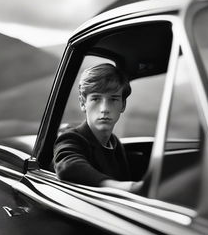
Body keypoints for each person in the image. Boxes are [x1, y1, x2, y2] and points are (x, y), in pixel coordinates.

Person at [53, 63, 143, 192]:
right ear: (83, 103)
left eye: (113, 99)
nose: (104, 109)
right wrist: (121, 187)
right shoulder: (71, 138)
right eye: (96, 99)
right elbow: (68, 167)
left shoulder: (115, 143)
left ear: (123, 105)